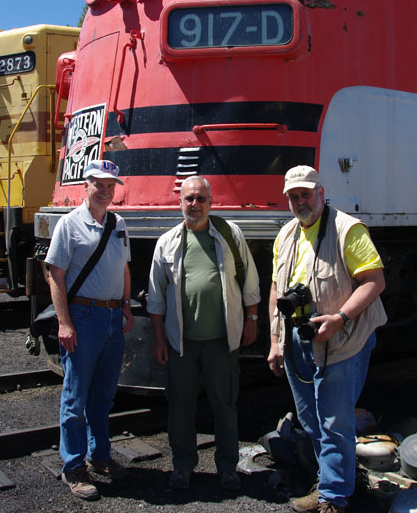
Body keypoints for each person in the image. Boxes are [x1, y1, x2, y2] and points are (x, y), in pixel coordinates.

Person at [266, 165, 387, 513]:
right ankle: (331, 482)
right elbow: (276, 288)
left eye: (306, 194)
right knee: (312, 420)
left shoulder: (347, 229)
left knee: (335, 420)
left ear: (321, 193)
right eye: (294, 196)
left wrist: (340, 317)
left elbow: (375, 281)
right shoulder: (285, 234)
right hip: (299, 339)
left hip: (342, 339)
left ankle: (333, 498)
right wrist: (275, 341)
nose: (301, 201)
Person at [147, 175, 261, 491]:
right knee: (180, 406)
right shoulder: (166, 242)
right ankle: (183, 466)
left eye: (200, 199)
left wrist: (251, 318)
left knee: (225, 405)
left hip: (222, 341)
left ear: (211, 203)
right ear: (179, 202)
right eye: (189, 199)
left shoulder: (229, 235)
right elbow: (156, 296)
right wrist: (158, 338)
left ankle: (228, 468)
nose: (194, 204)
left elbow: (250, 281)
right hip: (181, 343)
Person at [44, 159, 135, 501]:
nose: (105, 191)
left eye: (111, 186)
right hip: (83, 317)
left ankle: (99, 456)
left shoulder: (118, 223)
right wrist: (64, 322)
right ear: (86, 186)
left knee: (103, 395)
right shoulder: (69, 225)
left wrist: (125, 304)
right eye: (99, 185)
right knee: (76, 395)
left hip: (112, 318)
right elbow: (55, 275)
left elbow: (124, 267)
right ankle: (73, 466)